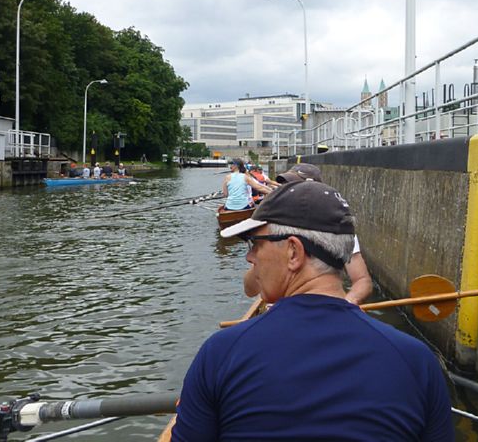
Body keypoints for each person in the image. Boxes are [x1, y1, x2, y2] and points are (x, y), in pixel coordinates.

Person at [172, 180, 454, 441]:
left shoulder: (221, 353)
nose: (249, 256)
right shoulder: (418, 361)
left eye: (255, 244)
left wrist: (183, 418)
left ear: (293, 253)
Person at [243, 162, 373, 304]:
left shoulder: (336, 231)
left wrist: (347, 304)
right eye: (285, 186)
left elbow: (362, 280)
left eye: (293, 187)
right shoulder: (270, 230)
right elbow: (250, 289)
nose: (285, 191)